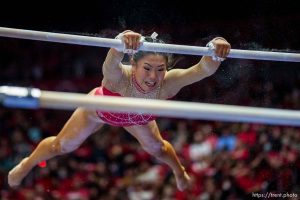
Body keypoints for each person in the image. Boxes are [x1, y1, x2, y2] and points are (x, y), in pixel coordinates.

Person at [8, 30, 231, 191]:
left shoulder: (170, 82)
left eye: (160, 69)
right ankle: (26, 164)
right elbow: (111, 62)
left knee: (157, 148)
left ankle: (179, 171)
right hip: (98, 111)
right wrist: (120, 42)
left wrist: (216, 50)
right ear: (133, 65)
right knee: (62, 145)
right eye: (147, 68)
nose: (153, 77)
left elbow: (203, 69)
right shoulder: (119, 77)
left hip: (137, 118)